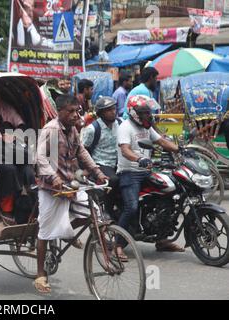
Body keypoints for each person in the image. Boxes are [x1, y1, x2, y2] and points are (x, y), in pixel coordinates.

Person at [35, 94, 108, 293]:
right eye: (71, 111)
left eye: (77, 110)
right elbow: (40, 158)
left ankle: (66, 232)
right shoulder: (50, 129)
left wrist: (97, 171)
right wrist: (53, 177)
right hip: (50, 187)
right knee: (45, 230)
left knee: (92, 213)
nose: (76, 114)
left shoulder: (73, 130)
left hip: (69, 183)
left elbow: (81, 151)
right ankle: (41, 274)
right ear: (59, 112)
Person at [116, 95, 184, 261]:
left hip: (147, 171)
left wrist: (180, 149)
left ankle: (161, 240)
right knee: (131, 207)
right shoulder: (125, 127)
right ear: (133, 113)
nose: (148, 115)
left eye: (148, 112)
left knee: (169, 196)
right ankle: (117, 246)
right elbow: (125, 150)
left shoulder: (146, 127)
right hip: (129, 173)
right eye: (144, 112)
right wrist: (139, 159)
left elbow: (161, 141)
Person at [82, 97, 121, 217]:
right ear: (101, 113)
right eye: (108, 110)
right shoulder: (92, 129)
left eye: (114, 109)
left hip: (118, 161)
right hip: (101, 162)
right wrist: (88, 169)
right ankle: (106, 209)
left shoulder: (120, 123)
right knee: (113, 180)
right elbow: (83, 150)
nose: (113, 112)